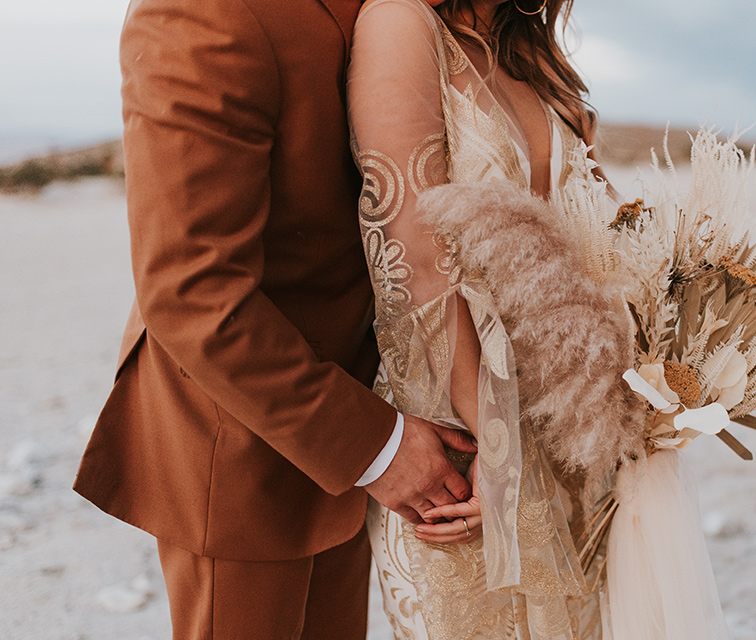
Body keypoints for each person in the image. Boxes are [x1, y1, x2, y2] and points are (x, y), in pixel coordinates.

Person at [73, 0, 478, 638]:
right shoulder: (201, 11)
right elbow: (191, 288)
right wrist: (379, 447)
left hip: (360, 427)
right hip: (240, 446)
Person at [349, 0, 614, 637]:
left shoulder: (531, 54)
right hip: (463, 436)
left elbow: (600, 241)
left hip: (569, 426)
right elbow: (411, 257)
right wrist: (499, 453)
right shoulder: (401, 22)